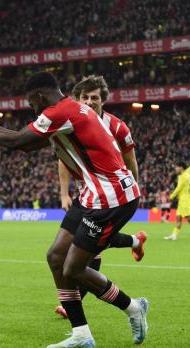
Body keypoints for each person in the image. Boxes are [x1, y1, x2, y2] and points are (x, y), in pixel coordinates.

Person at [0, 71, 148, 348]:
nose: (32, 109)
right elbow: (27, 145)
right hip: (94, 193)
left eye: (32, 102)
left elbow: (17, 141)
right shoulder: (70, 111)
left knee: (74, 269)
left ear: (39, 96)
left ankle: (133, 307)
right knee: (56, 257)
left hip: (110, 198)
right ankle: (81, 333)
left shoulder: (61, 111)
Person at [53, 75, 147, 319]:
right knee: (76, 250)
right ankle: (135, 242)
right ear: (77, 99)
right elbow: (64, 159)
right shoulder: (72, 123)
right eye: (85, 97)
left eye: (94, 98)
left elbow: (131, 162)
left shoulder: (117, 127)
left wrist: (133, 190)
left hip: (111, 195)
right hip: (86, 194)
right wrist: (64, 193)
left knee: (87, 251)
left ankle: (76, 305)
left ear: (103, 100)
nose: (90, 101)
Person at [164, 162, 190, 241]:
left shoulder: (182, 176)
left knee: (189, 218)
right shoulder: (188, 176)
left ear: (181, 168)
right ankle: (174, 235)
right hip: (184, 199)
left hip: (184, 200)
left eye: (177, 167)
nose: (176, 169)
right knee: (179, 218)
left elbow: (179, 188)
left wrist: (172, 196)